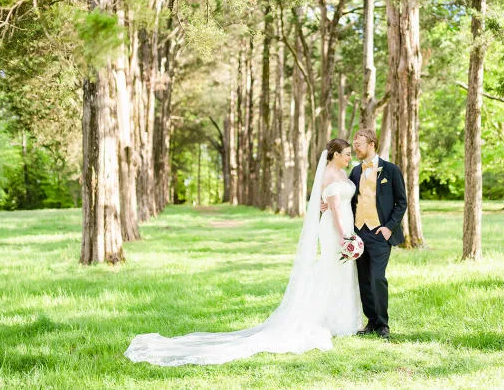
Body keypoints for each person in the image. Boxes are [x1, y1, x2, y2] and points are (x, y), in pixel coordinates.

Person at [124, 139, 361, 366]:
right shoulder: (330, 174)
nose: (350, 157)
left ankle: (338, 317)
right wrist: (343, 235)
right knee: (330, 269)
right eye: (347, 153)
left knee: (340, 271)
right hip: (335, 228)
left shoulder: (342, 173)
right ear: (335, 155)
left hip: (344, 225)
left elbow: (335, 201)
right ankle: (324, 318)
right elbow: (336, 209)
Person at [349, 129, 407, 339]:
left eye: (359, 143)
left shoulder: (391, 170)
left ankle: (383, 325)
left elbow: (402, 202)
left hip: (380, 233)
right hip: (359, 233)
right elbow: (349, 201)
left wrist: (389, 227)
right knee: (363, 279)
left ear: (372, 143)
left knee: (377, 278)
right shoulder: (355, 172)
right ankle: (371, 322)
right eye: (354, 143)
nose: (356, 147)